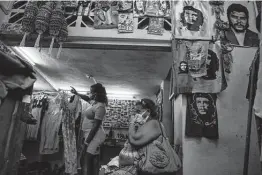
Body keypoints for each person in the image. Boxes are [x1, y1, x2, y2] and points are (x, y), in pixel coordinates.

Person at [109, 98, 162, 175]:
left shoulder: (152, 124)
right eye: (136, 111)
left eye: (139, 111)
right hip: (144, 160)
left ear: (148, 111)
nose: (136, 114)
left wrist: (131, 123)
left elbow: (134, 140)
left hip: (150, 162)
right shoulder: (146, 123)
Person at [71, 83, 108, 175]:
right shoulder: (95, 103)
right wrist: (77, 93)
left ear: (96, 94)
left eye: (91, 92)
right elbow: (87, 98)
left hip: (96, 136)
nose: (89, 93)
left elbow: (95, 127)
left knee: (86, 160)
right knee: (88, 160)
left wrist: (86, 142)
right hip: (90, 135)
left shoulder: (100, 107)